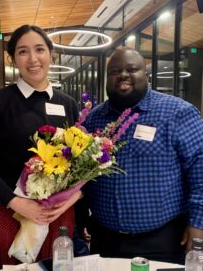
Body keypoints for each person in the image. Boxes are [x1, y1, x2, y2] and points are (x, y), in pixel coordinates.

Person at [75, 47, 203, 264]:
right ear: (107, 78)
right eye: (115, 71)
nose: (123, 75)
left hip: (163, 241)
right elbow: (82, 178)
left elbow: (200, 172)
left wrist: (198, 225)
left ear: (147, 75)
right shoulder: (93, 120)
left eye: (132, 69)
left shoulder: (178, 113)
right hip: (105, 241)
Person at [0, 24, 81, 271]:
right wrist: (15, 201)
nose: (33, 59)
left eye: (39, 49)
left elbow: (81, 162)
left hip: (57, 213)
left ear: (51, 54)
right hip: (8, 212)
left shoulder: (68, 104)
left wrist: (70, 200)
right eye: (23, 52)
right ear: (12, 58)